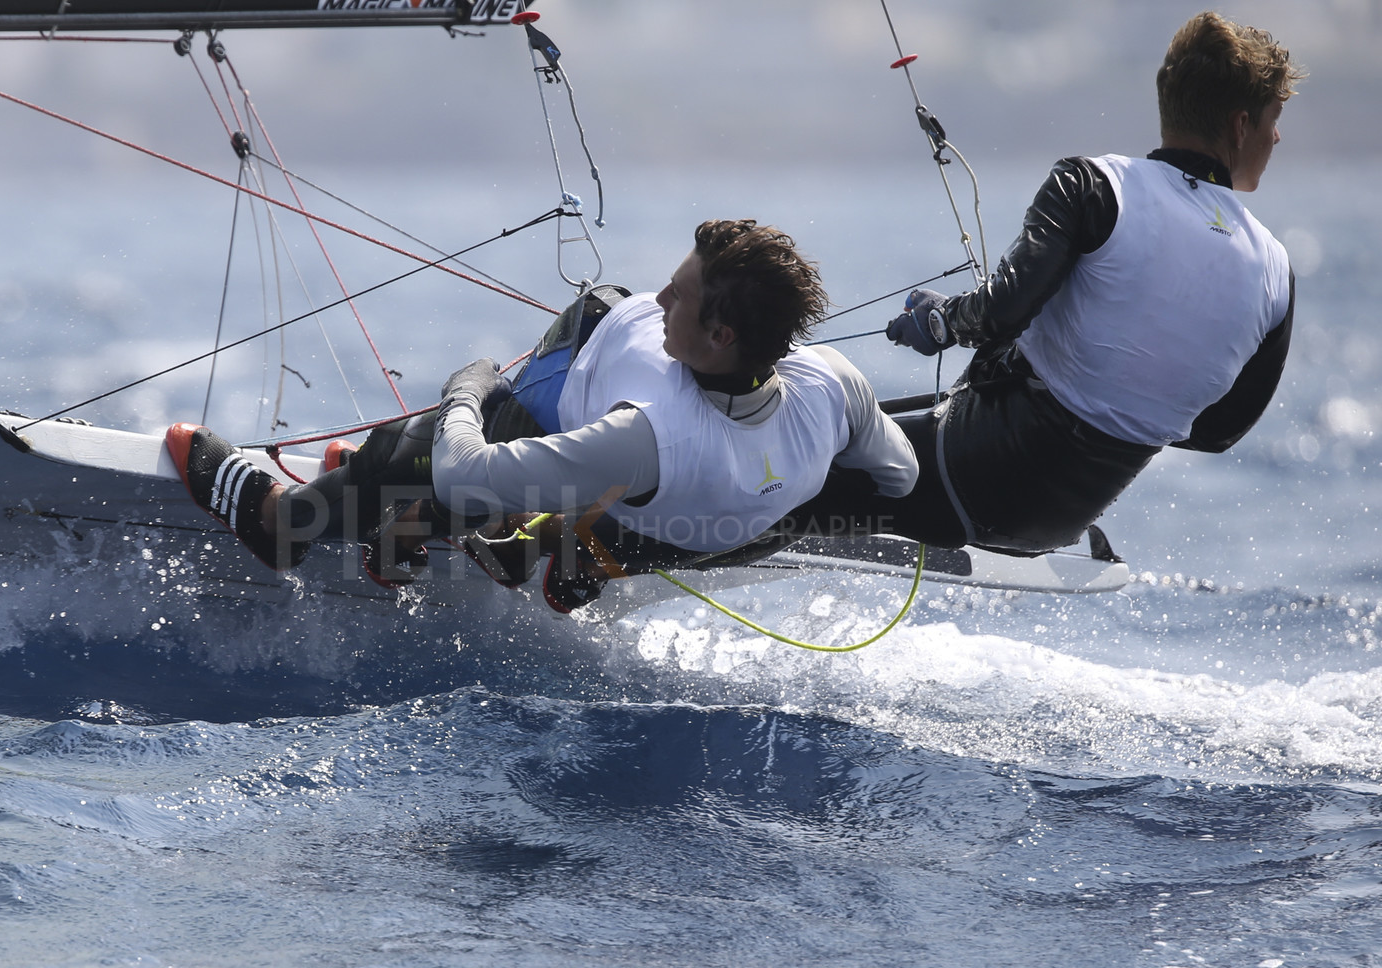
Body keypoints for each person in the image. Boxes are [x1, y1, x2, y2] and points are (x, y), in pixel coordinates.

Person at [168, 220, 918, 608]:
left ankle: (284, 521)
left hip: (590, 468)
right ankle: (565, 556)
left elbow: (469, 472)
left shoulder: (645, 437)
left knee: (448, 438)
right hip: (654, 535)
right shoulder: (832, 386)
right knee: (628, 477)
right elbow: (898, 474)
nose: (661, 301)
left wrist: (467, 390)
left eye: (679, 298)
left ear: (722, 337)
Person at [773, 11, 1301, 559]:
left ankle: (680, 542)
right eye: (1275, 119)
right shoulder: (1275, 270)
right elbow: (1218, 432)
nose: (1278, 135)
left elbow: (1002, 311)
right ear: (1241, 126)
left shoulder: (1096, 186)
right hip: (1055, 523)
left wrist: (941, 319)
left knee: (776, 468)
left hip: (964, 476)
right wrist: (1122, 407)